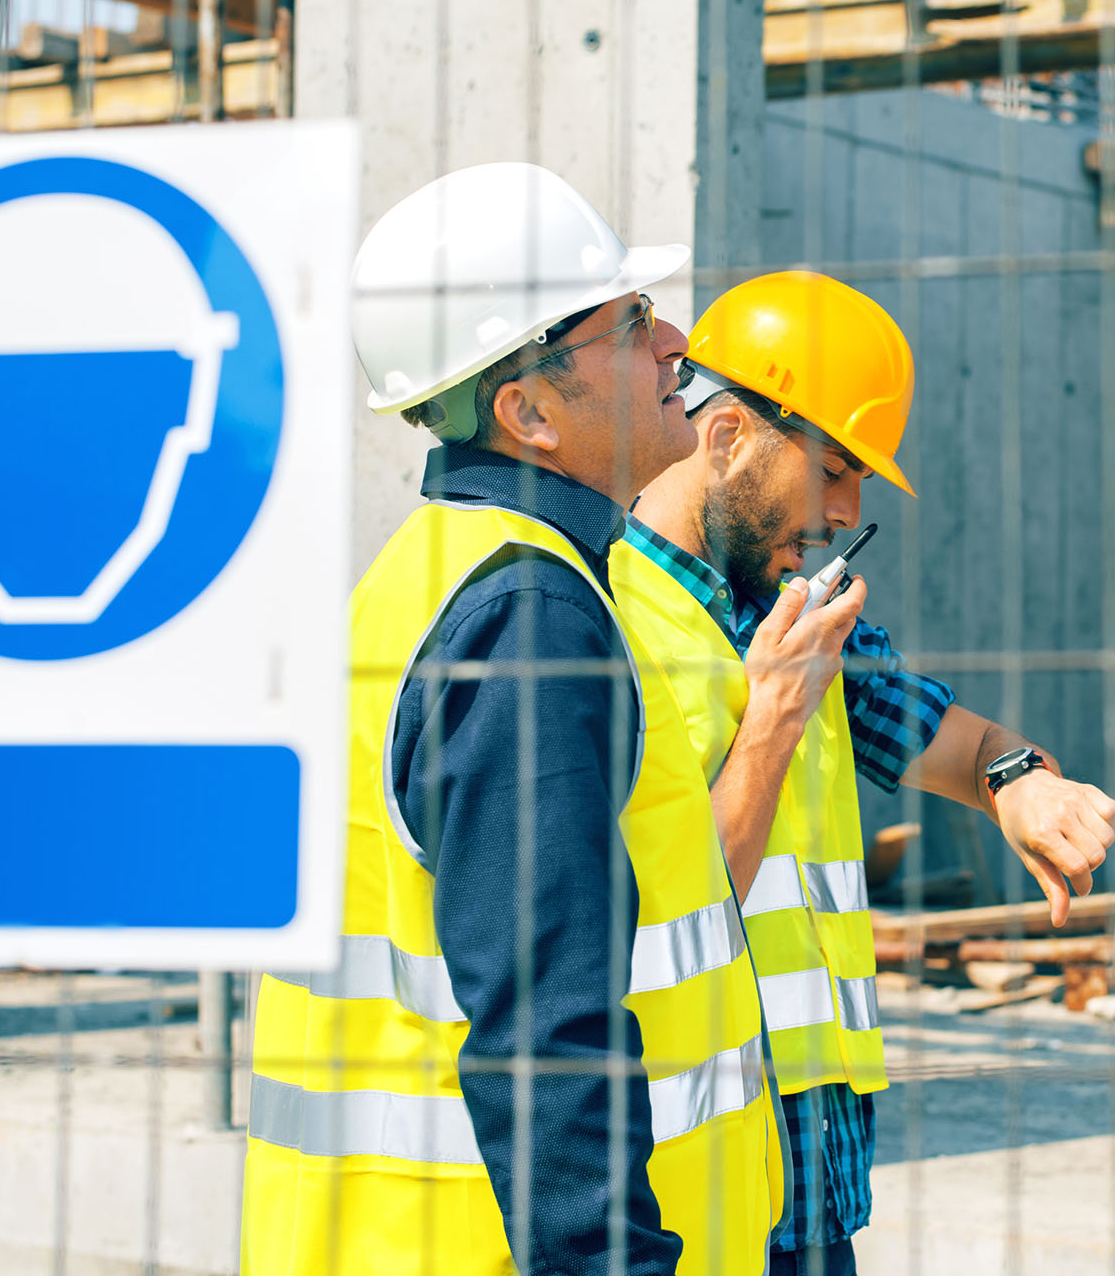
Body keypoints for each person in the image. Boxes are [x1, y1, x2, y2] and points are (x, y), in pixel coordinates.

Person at [244, 164, 833, 1276]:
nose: (676, 347)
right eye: (633, 322)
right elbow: (545, 1024)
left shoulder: (452, 578)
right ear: (529, 411)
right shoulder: (526, 615)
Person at [616, 270, 1115, 1275]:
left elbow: (968, 748)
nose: (844, 511)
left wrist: (1021, 781)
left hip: (815, 1188)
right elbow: (642, 914)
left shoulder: (801, 614)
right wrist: (768, 718)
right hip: (689, 1194)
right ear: (728, 438)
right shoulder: (600, 621)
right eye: (835, 470)